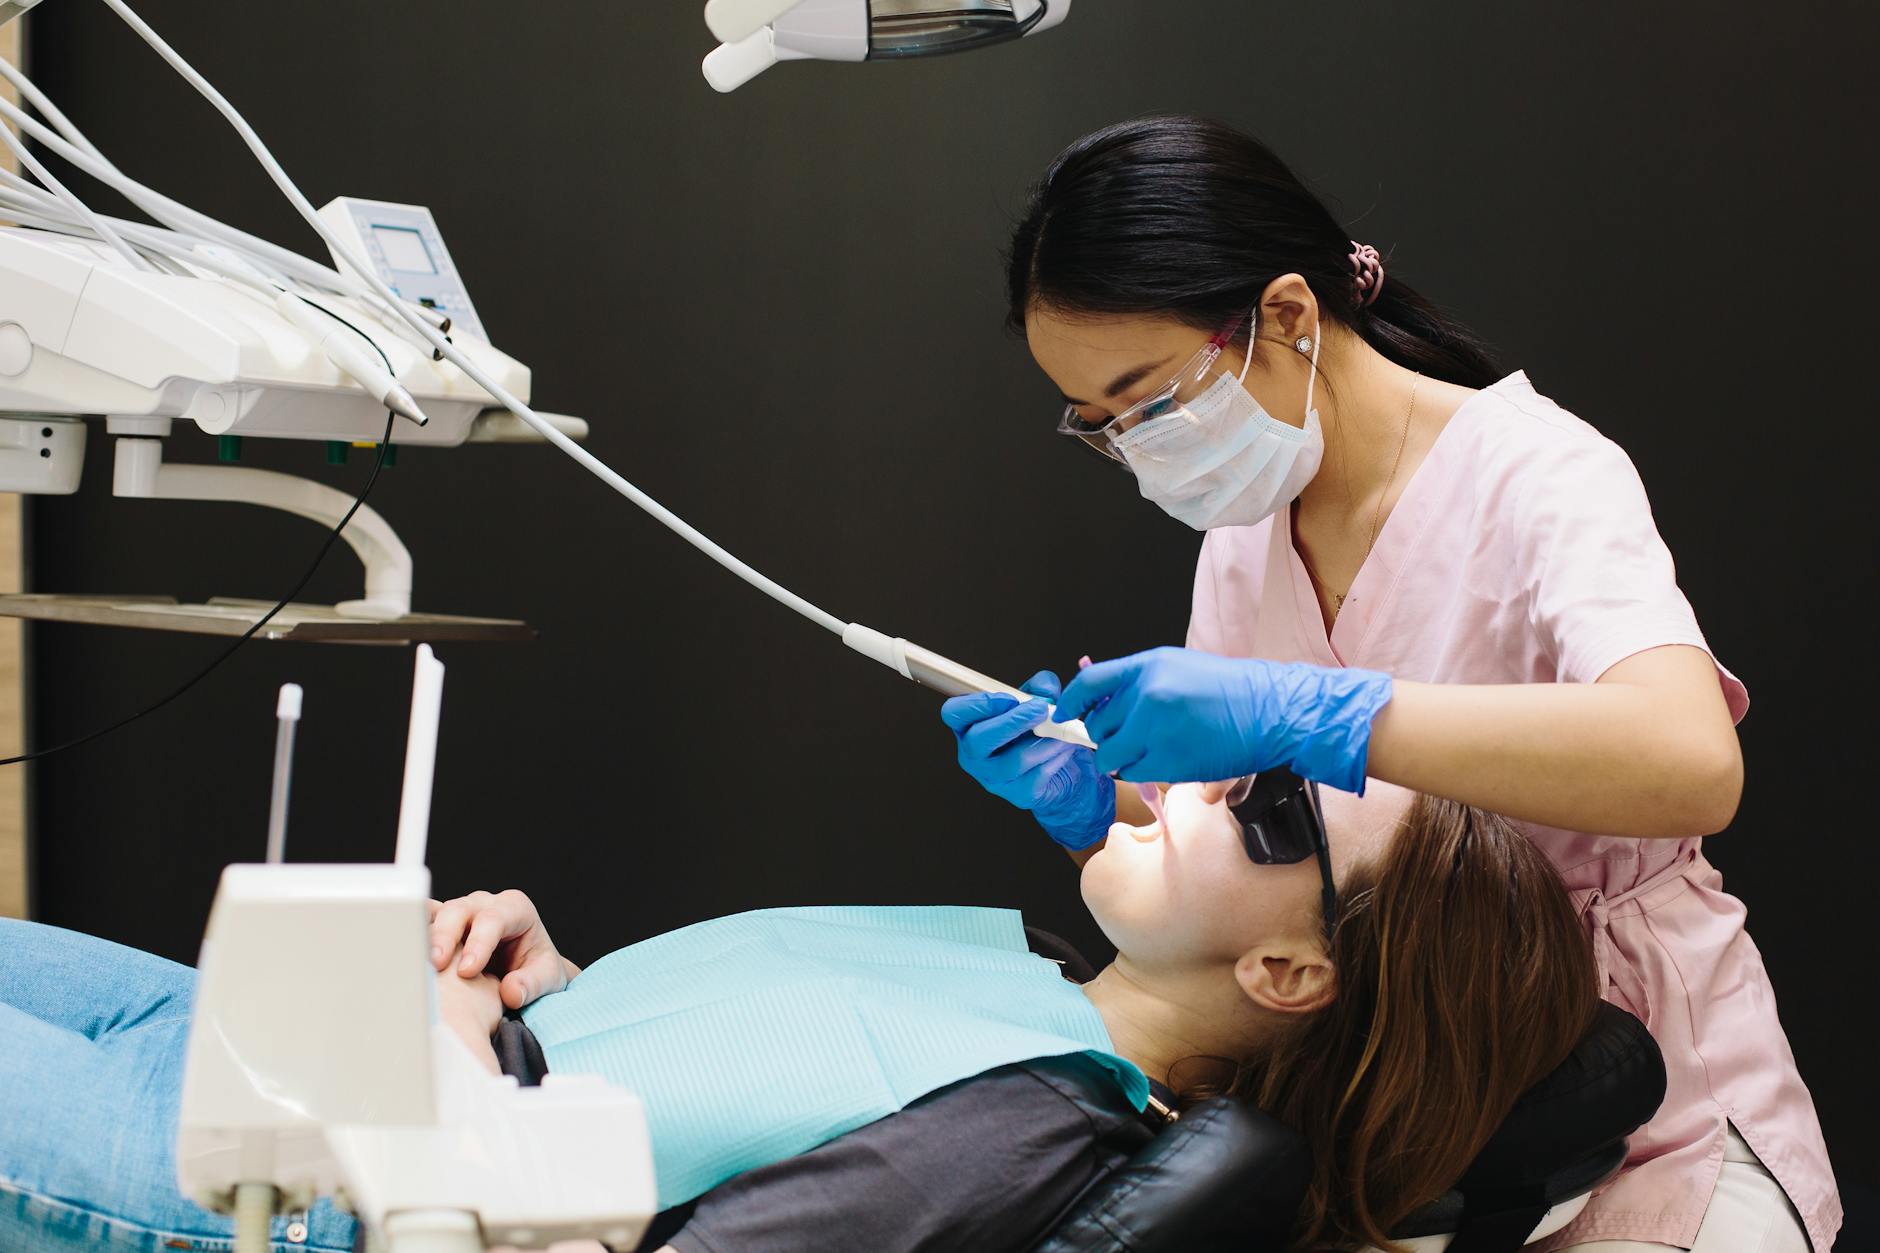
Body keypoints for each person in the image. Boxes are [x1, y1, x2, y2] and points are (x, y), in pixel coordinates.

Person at [941, 115, 1837, 1251]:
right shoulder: (1246, 532)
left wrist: (1335, 716)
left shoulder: (1538, 474)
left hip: (1631, 1091)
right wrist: (1099, 809)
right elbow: (1242, 863)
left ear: (1284, 314)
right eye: (1101, 423)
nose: (1135, 444)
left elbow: (1691, 765)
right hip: (1388, 1107)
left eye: (1147, 398)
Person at [4, 782, 1595, 1253]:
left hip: (279, 1178)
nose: (1178, 782)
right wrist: (558, 990)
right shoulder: (1027, 986)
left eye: (1258, 810)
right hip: (274, 1034)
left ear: (1293, 977)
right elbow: (712, 1124)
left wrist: (449, 1047)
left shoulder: (1025, 1129)